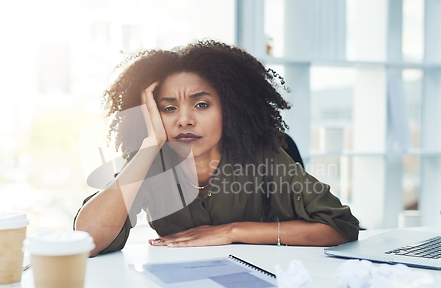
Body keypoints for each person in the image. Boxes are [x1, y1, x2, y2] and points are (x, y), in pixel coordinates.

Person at [74, 40, 359, 257]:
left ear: (229, 108)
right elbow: (87, 240)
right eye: (168, 108)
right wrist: (149, 147)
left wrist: (232, 232)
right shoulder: (150, 163)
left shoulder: (263, 156)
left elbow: (340, 227)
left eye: (201, 104)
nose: (185, 119)